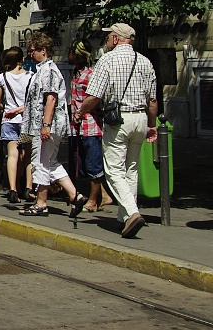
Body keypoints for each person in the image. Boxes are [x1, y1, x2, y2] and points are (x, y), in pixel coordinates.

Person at [79, 22, 157, 238]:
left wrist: (79, 111)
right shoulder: (145, 62)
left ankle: (132, 212)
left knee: (113, 169)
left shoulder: (107, 60)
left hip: (118, 120)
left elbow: (94, 97)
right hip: (141, 118)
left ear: (115, 39)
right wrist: (151, 125)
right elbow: (152, 100)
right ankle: (125, 218)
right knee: (131, 168)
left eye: (108, 36)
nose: (107, 40)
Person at [19, 31, 87, 218]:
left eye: (32, 50)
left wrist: (46, 125)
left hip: (49, 124)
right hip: (47, 124)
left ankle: (41, 203)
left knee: (41, 163)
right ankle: (75, 195)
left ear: (43, 50)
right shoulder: (42, 70)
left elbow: (50, 98)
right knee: (50, 162)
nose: (30, 54)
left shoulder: (48, 70)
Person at [68, 40, 114, 212]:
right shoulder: (75, 73)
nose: (69, 54)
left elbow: (96, 99)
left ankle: (93, 200)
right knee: (84, 165)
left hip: (91, 126)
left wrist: (82, 112)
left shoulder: (91, 74)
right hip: (78, 127)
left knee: (93, 165)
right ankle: (105, 196)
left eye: (71, 51)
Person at [0, 46, 34, 203]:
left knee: (12, 155)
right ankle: (29, 189)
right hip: (27, 120)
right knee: (29, 156)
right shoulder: (31, 76)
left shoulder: (2, 77)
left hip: (9, 121)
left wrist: (8, 109)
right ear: (22, 60)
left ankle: (12, 190)